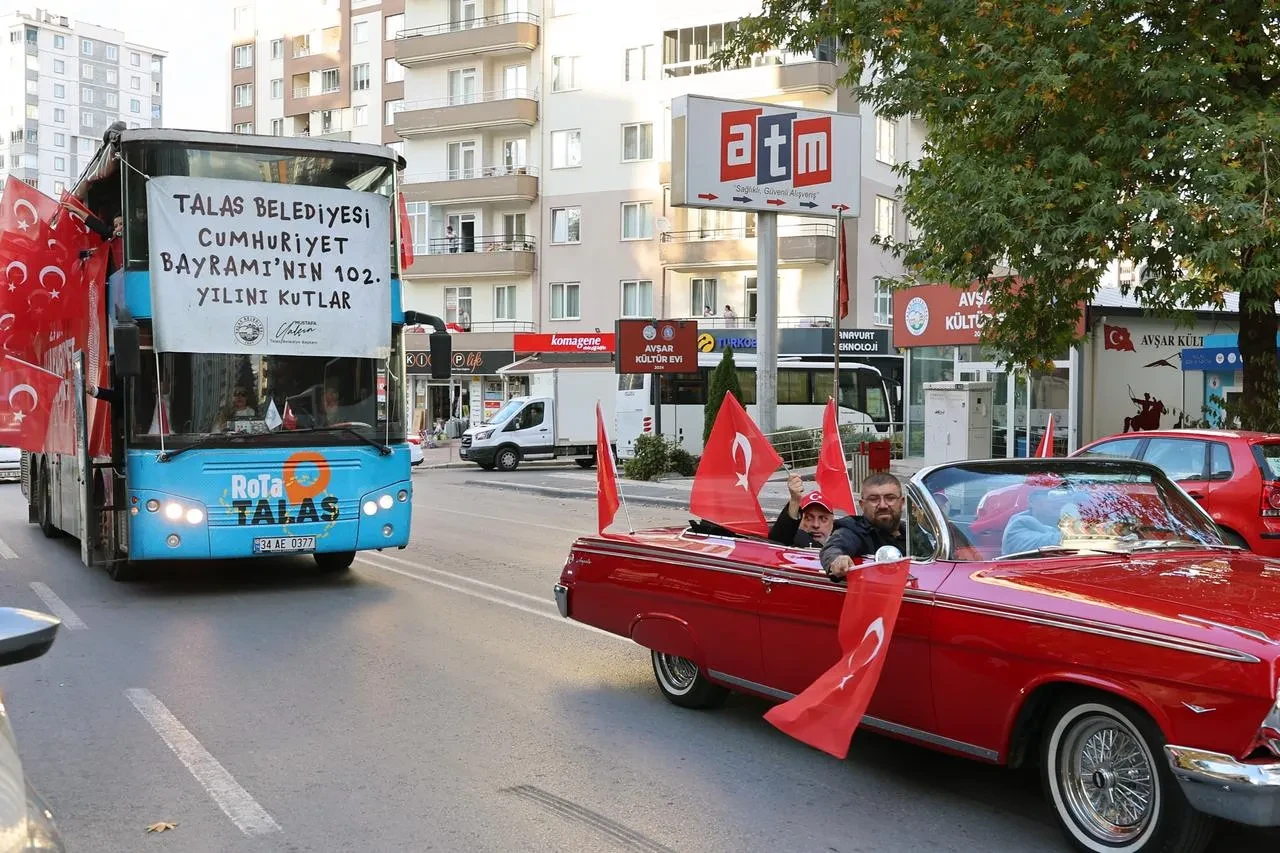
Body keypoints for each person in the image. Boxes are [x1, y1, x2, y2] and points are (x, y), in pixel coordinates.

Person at [820, 472, 919, 580]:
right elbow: (833, 548)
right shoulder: (854, 530)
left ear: (902, 502)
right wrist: (837, 560)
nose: (882, 505)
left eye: (890, 498)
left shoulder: (913, 532)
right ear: (862, 505)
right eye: (874, 499)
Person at [1001, 487, 1075, 554]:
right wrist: (1082, 534)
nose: (1061, 500)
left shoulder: (1071, 521)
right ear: (1032, 501)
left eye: (1067, 493)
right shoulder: (1017, 526)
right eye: (1052, 494)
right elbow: (1048, 543)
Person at [768, 474, 835, 548]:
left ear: (832, 523)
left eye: (823, 519)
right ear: (799, 522)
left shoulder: (843, 544)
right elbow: (779, 541)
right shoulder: (794, 540)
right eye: (809, 518)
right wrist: (795, 500)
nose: (816, 525)